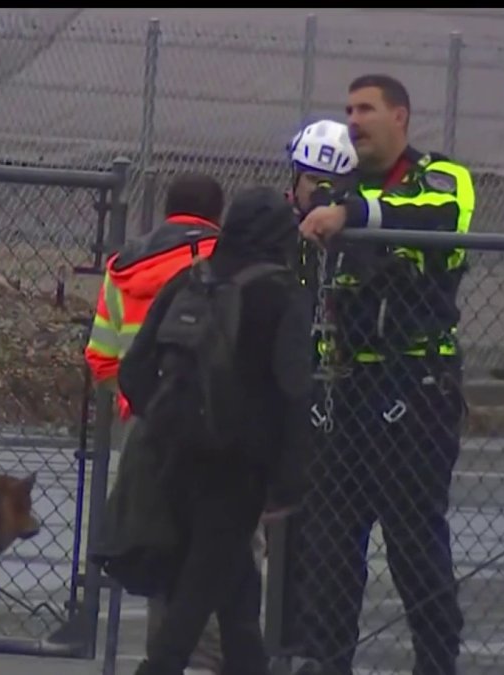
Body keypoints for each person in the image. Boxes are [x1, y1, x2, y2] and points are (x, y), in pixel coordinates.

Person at [289, 74, 477, 675]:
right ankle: (327, 661)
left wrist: (350, 212)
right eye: (348, 109)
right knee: (332, 543)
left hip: (414, 390)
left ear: (401, 115)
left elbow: (440, 217)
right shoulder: (336, 188)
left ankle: (436, 662)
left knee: (414, 540)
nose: (354, 119)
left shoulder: (440, 178)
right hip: (342, 391)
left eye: (366, 108)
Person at [118, 186, 314, 675]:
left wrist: (166, 420)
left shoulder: (192, 278)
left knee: (237, 595)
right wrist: (290, 481)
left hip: (174, 457)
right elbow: (294, 392)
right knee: (199, 591)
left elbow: (135, 369)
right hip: (239, 468)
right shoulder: (282, 293)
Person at [82, 171, 229, 674]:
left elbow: (102, 358)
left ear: (167, 211)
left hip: (144, 427)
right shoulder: (229, 262)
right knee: (225, 545)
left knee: (157, 538)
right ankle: (217, 659)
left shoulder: (124, 266)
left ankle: (166, 658)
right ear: (217, 214)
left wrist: (136, 407)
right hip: (215, 427)